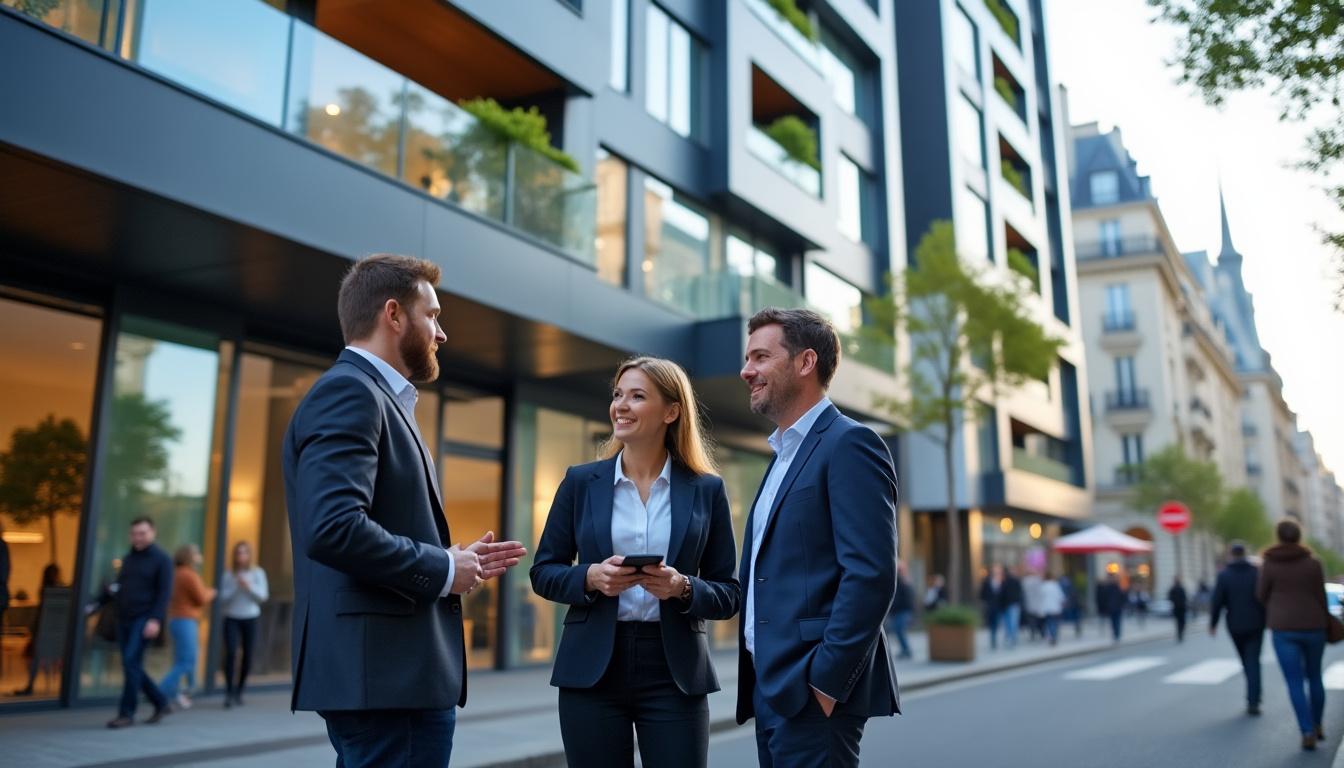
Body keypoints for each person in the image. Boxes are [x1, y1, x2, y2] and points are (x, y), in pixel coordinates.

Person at [284, 254, 527, 766]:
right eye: (433, 315)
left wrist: (456, 562)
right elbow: (332, 527)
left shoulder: (375, 397)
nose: (441, 334)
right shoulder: (351, 392)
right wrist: (442, 567)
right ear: (393, 315)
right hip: (386, 680)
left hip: (387, 678)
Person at [530, 356, 741, 768]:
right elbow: (543, 571)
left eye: (637, 396)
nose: (620, 406)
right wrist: (590, 578)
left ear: (671, 411)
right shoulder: (580, 482)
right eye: (617, 395)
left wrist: (682, 587)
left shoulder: (707, 490)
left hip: (675, 672)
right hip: (592, 670)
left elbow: (729, 593)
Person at [734, 308, 900, 768]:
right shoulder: (781, 456)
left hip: (812, 692)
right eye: (748, 358)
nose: (747, 370)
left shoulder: (850, 444)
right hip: (772, 688)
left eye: (761, 357)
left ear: (806, 362)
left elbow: (870, 574)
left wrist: (826, 683)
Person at [96, 516, 174, 729]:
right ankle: (160, 701)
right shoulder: (128, 559)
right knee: (132, 665)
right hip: (124, 619)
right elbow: (119, 587)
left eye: (142, 533)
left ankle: (126, 714)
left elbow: (164, 593)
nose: (137, 538)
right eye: (134, 534)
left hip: (144, 619)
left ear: (153, 533)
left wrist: (155, 620)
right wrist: (97, 602)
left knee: (130, 662)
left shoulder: (162, 560)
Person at [1258, 519, 1330, 751]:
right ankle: (1318, 724)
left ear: (1278, 536)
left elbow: (1260, 595)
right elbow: (1321, 596)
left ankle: (1306, 731)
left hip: (1283, 628)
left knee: (1294, 682)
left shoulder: (1268, 564)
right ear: (1299, 536)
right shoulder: (1314, 563)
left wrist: (1278, 605)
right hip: (1314, 626)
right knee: (1315, 678)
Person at [1210, 540, 1267, 716]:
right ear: (1244, 553)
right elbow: (1264, 597)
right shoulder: (1256, 572)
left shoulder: (1224, 575)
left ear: (1231, 554)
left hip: (1235, 625)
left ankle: (1252, 697)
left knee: (1246, 661)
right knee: (1253, 661)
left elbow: (1217, 601)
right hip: (1257, 623)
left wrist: (1213, 623)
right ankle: (1254, 699)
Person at [158, 544, 215, 710]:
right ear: (189, 556)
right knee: (187, 660)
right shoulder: (189, 574)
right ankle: (160, 692)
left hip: (176, 620)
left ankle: (177, 694)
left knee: (180, 660)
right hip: (185, 620)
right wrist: (211, 592)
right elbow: (201, 598)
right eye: (197, 553)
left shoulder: (175, 573)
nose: (200, 556)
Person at [218, 541, 268, 708]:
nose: (241, 556)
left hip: (250, 617)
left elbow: (262, 597)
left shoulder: (257, 573)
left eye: (244, 553)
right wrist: (235, 587)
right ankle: (228, 692)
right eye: (238, 553)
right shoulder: (229, 574)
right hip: (232, 617)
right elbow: (222, 598)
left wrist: (248, 587)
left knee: (247, 655)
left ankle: (239, 690)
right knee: (231, 653)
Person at [12, 564, 63, 696]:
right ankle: (32, 685)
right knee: (38, 656)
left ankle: (30, 686)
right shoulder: (55, 592)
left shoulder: (50, 592)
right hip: (50, 630)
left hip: (46, 630)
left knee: (36, 656)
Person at [887, 563, 914, 660]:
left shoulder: (904, 581)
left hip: (902, 611)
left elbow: (907, 599)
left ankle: (906, 650)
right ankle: (905, 650)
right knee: (898, 631)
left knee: (900, 631)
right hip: (897, 611)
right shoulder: (900, 581)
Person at [980, 565, 1008, 650]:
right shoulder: (987, 581)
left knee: (997, 623)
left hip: (999, 606)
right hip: (990, 606)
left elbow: (1006, 595)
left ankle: (995, 638)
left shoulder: (1003, 582)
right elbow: (982, 593)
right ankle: (993, 638)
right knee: (992, 623)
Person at [1038, 571, 1065, 646]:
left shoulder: (1043, 586)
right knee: (1055, 623)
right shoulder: (1055, 585)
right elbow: (1060, 596)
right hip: (1055, 607)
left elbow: (1040, 598)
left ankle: (1052, 636)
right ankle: (1054, 636)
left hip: (1046, 608)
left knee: (1049, 623)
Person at [1096, 572, 1126, 642]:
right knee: (1113, 622)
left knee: (1117, 621)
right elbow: (1103, 598)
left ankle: (1117, 634)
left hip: (1117, 607)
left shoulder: (1117, 587)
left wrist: (1121, 604)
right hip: (1112, 608)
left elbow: (1122, 596)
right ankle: (1115, 634)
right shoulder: (1108, 587)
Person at [1002, 566, 1023, 649]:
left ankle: (1010, 636)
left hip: (1008, 604)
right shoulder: (1016, 581)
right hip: (1013, 604)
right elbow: (1020, 592)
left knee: (1008, 622)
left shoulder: (1005, 582)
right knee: (1013, 622)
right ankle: (1012, 637)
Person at [1021, 568, 1044, 642]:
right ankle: (1041, 632)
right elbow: (1042, 591)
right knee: (1040, 620)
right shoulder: (1038, 580)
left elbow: (1023, 593)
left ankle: (1032, 633)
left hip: (1029, 604)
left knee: (1031, 620)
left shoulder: (1025, 581)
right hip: (1038, 604)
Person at [1168, 577, 1188, 643]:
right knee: (1180, 622)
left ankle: (1180, 633)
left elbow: (1185, 597)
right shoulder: (1174, 589)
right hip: (1178, 608)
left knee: (1181, 622)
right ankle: (1180, 634)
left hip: (1180, 608)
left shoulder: (1180, 588)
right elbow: (1170, 597)